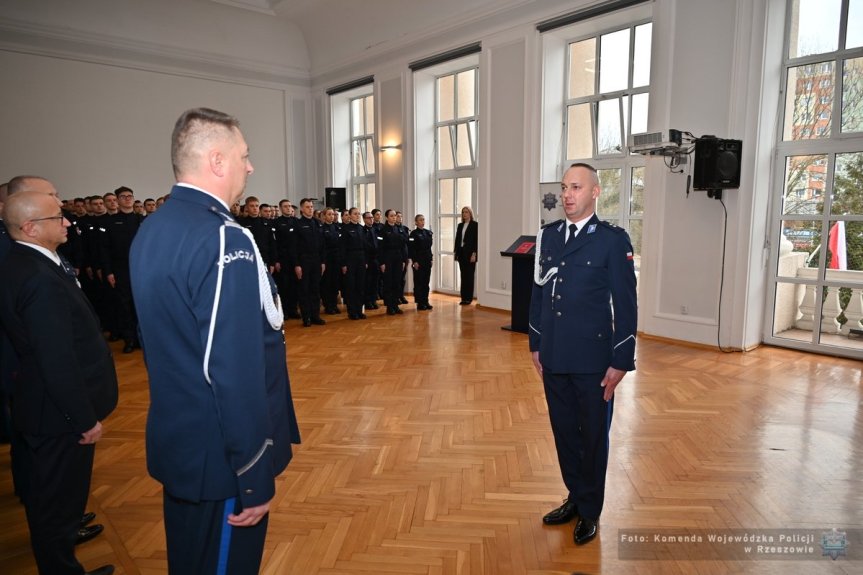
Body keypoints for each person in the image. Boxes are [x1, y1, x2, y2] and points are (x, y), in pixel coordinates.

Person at [129, 107, 301, 573]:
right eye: (244, 156)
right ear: (218, 160)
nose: (250, 167)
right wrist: (252, 475)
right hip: (222, 459)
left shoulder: (154, 228)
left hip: (181, 442)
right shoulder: (227, 239)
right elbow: (230, 369)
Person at [0, 189, 118, 575]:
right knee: (56, 506)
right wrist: (83, 419)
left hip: (47, 409)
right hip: (59, 416)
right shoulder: (37, 277)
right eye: (57, 217)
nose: (67, 222)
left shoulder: (27, 262)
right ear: (31, 227)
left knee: (55, 502)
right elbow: (56, 359)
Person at [528, 162, 637, 546]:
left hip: (593, 360)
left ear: (595, 192)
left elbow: (626, 305)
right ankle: (575, 495)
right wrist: (536, 345)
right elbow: (539, 294)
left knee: (592, 436)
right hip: (554, 355)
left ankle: (590, 510)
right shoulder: (549, 236)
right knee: (564, 434)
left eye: (576, 187)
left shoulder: (611, 240)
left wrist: (621, 360)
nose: (567, 195)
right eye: (564, 187)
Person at [291, 198, 327, 327]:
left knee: (315, 289)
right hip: (303, 260)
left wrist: (323, 262)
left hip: (317, 260)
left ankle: (315, 315)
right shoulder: (297, 224)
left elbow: (322, 245)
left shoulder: (318, 223)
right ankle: (306, 317)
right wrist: (297, 265)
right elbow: (293, 247)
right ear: (301, 209)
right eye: (307, 207)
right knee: (304, 289)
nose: (310, 209)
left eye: (311, 206)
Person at [339, 207, 367, 320]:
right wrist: (343, 264)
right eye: (355, 214)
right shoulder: (345, 229)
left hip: (361, 259)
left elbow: (365, 247)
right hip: (350, 259)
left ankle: (359, 310)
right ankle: (352, 311)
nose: (357, 216)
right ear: (349, 216)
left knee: (360, 286)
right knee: (351, 286)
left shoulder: (361, 228)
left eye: (359, 214)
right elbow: (342, 248)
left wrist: (365, 261)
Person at [379, 209, 408, 315]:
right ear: (387, 218)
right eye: (391, 216)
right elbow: (380, 247)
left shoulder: (399, 229)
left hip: (398, 258)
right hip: (387, 259)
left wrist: (404, 260)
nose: (394, 217)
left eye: (395, 215)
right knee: (388, 283)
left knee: (397, 282)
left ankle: (395, 305)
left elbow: (404, 244)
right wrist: (382, 262)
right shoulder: (383, 230)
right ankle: (390, 307)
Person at [409, 214, 434, 311]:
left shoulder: (428, 233)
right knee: (419, 282)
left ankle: (425, 301)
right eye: (420, 220)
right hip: (418, 261)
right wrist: (414, 261)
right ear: (416, 222)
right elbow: (412, 249)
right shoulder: (413, 234)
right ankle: (419, 302)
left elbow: (429, 248)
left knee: (426, 282)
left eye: (423, 219)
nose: (422, 221)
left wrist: (431, 259)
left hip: (427, 260)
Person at [454, 206, 478, 305]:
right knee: (463, 276)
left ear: (470, 214)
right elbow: (457, 240)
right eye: (463, 212)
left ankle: (469, 298)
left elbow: (476, 241)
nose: (464, 214)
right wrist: (456, 253)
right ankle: (463, 298)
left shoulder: (475, 225)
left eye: (466, 212)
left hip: (470, 254)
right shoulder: (460, 225)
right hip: (461, 253)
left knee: (469, 276)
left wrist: (474, 254)